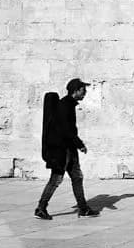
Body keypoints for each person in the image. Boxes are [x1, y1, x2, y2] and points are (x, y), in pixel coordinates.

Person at [35, 78, 99, 218]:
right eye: (83, 91)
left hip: (69, 149)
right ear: (75, 91)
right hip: (61, 151)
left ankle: (83, 208)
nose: (85, 93)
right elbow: (67, 130)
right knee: (56, 179)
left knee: (77, 177)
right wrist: (80, 144)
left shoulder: (68, 104)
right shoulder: (65, 106)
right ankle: (41, 208)